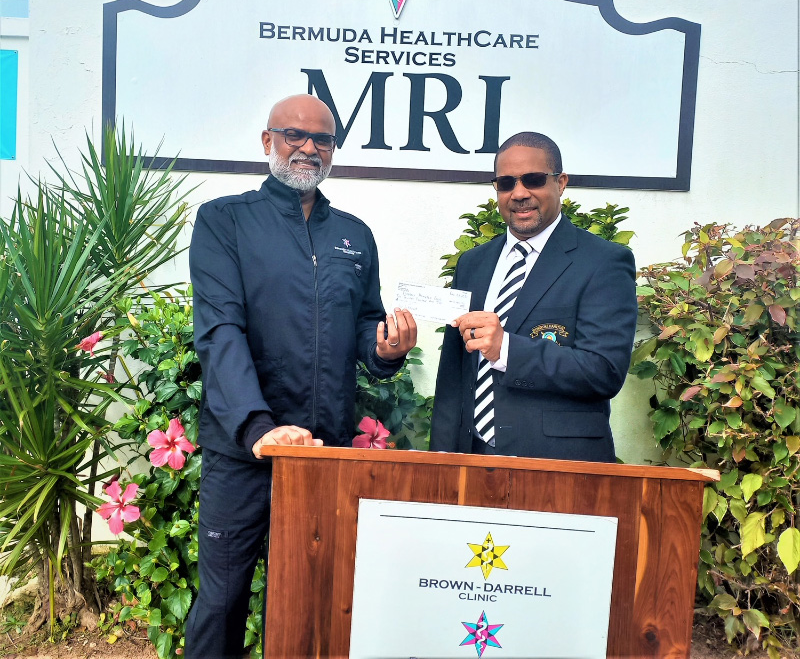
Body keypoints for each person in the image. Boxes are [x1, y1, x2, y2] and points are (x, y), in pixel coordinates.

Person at [184, 94, 416, 659]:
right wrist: (258, 428)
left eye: (323, 139)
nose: (309, 148)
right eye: (295, 135)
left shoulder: (355, 235)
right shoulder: (224, 221)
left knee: (308, 599)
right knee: (221, 601)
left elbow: (364, 328)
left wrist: (386, 350)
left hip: (320, 453)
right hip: (242, 452)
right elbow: (220, 331)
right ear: (268, 141)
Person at [430, 131, 637, 462]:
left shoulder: (604, 262)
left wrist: (507, 349)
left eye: (534, 180)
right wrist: (441, 459)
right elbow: (454, 375)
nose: (519, 193)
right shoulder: (473, 263)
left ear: (561, 182)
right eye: (506, 183)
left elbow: (604, 370)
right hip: (471, 459)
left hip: (557, 465)